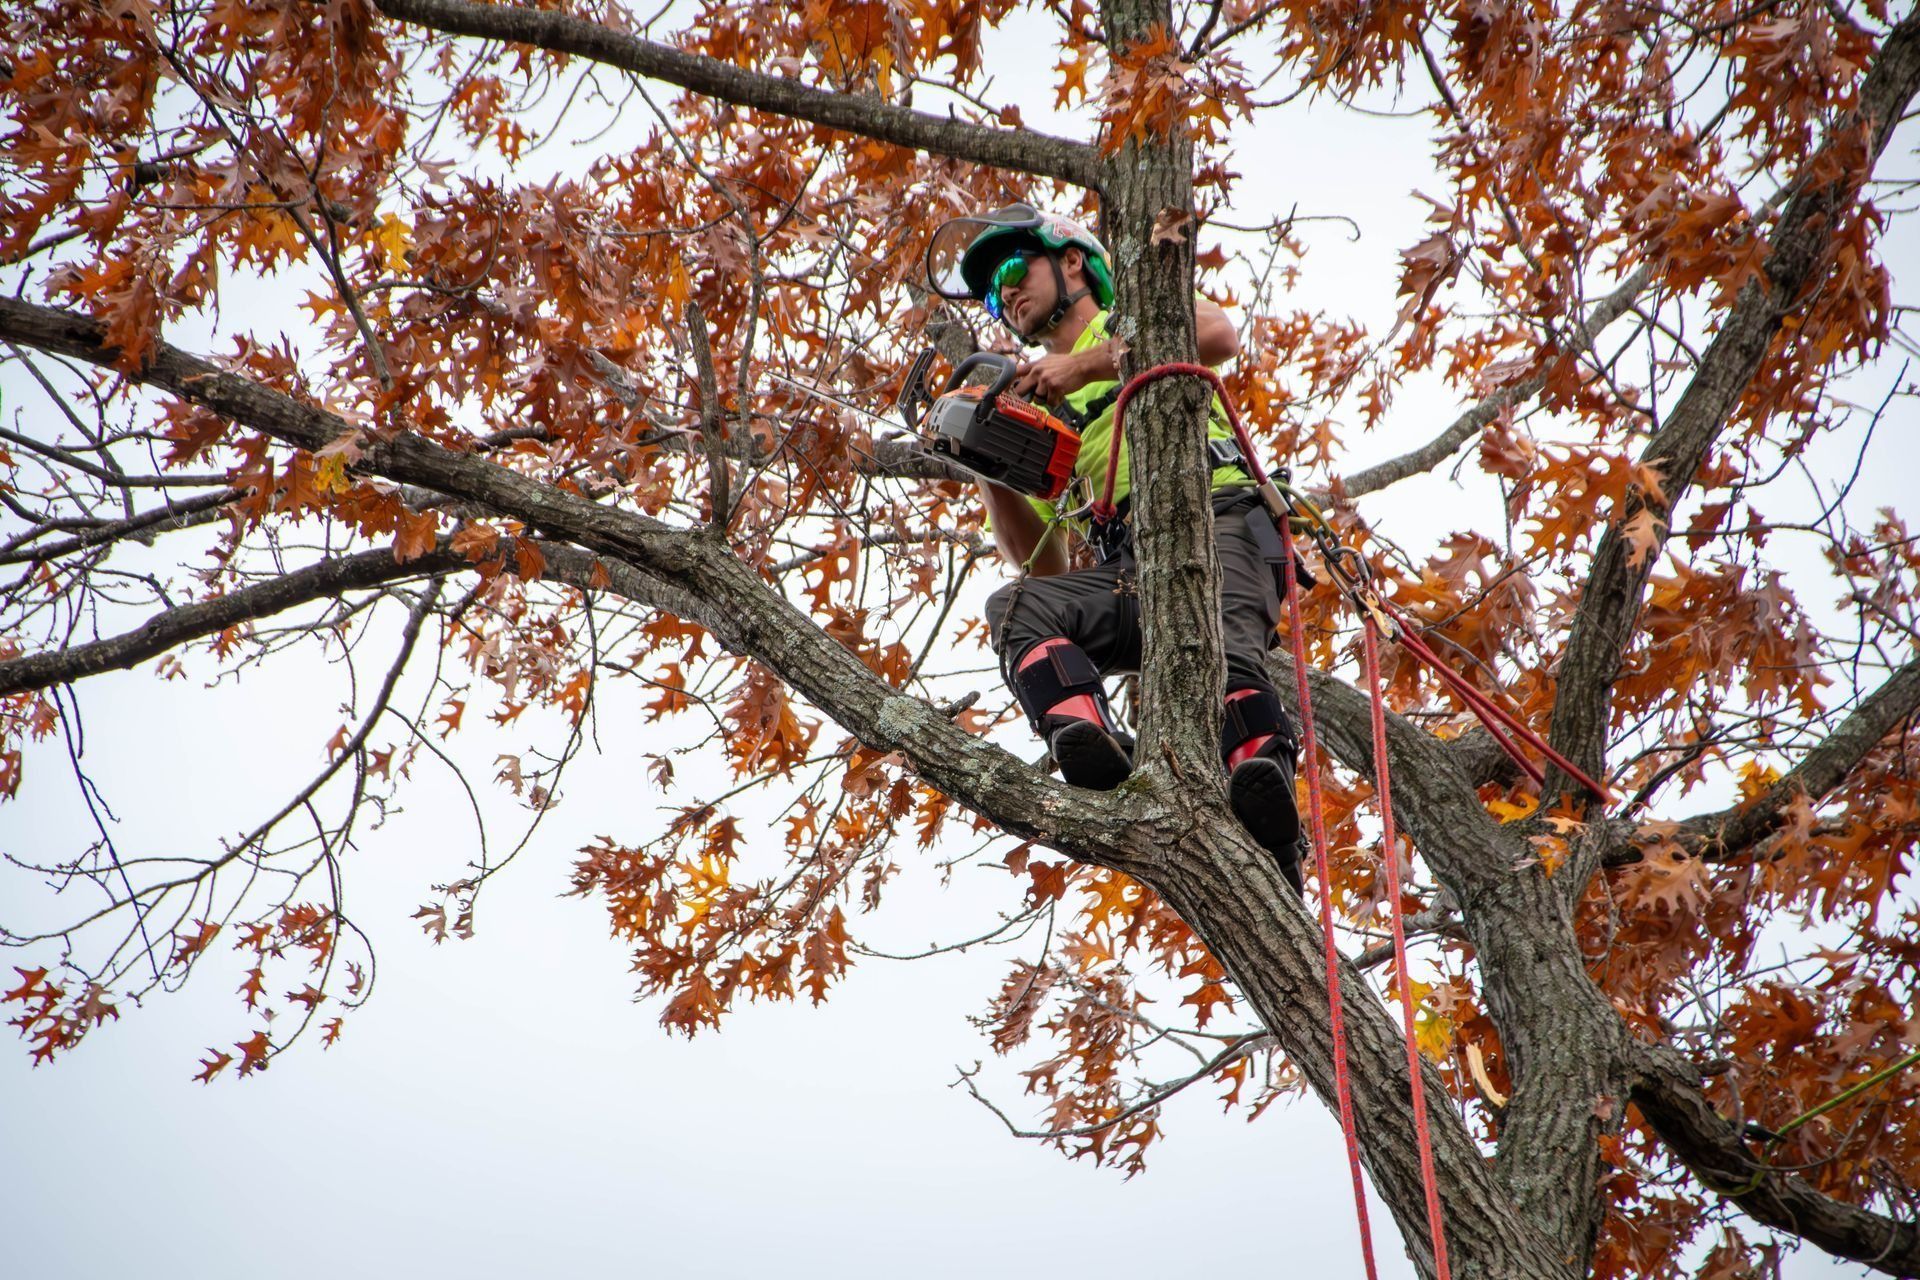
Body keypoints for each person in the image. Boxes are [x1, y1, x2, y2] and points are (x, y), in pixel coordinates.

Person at [926, 203, 1304, 890]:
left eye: (1013, 268)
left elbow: (1218, 334)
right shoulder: (1039, 406)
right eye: (991, 291)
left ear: (1071, 262)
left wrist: (1085, 365)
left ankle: (1264, 786)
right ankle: (1088, 735)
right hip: (1129, 567)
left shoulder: (1129, 319)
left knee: (1224, 646)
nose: (1005, 293)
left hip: (1219, 516)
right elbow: (1043, 562)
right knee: (1018, 607)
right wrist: (988, 460)